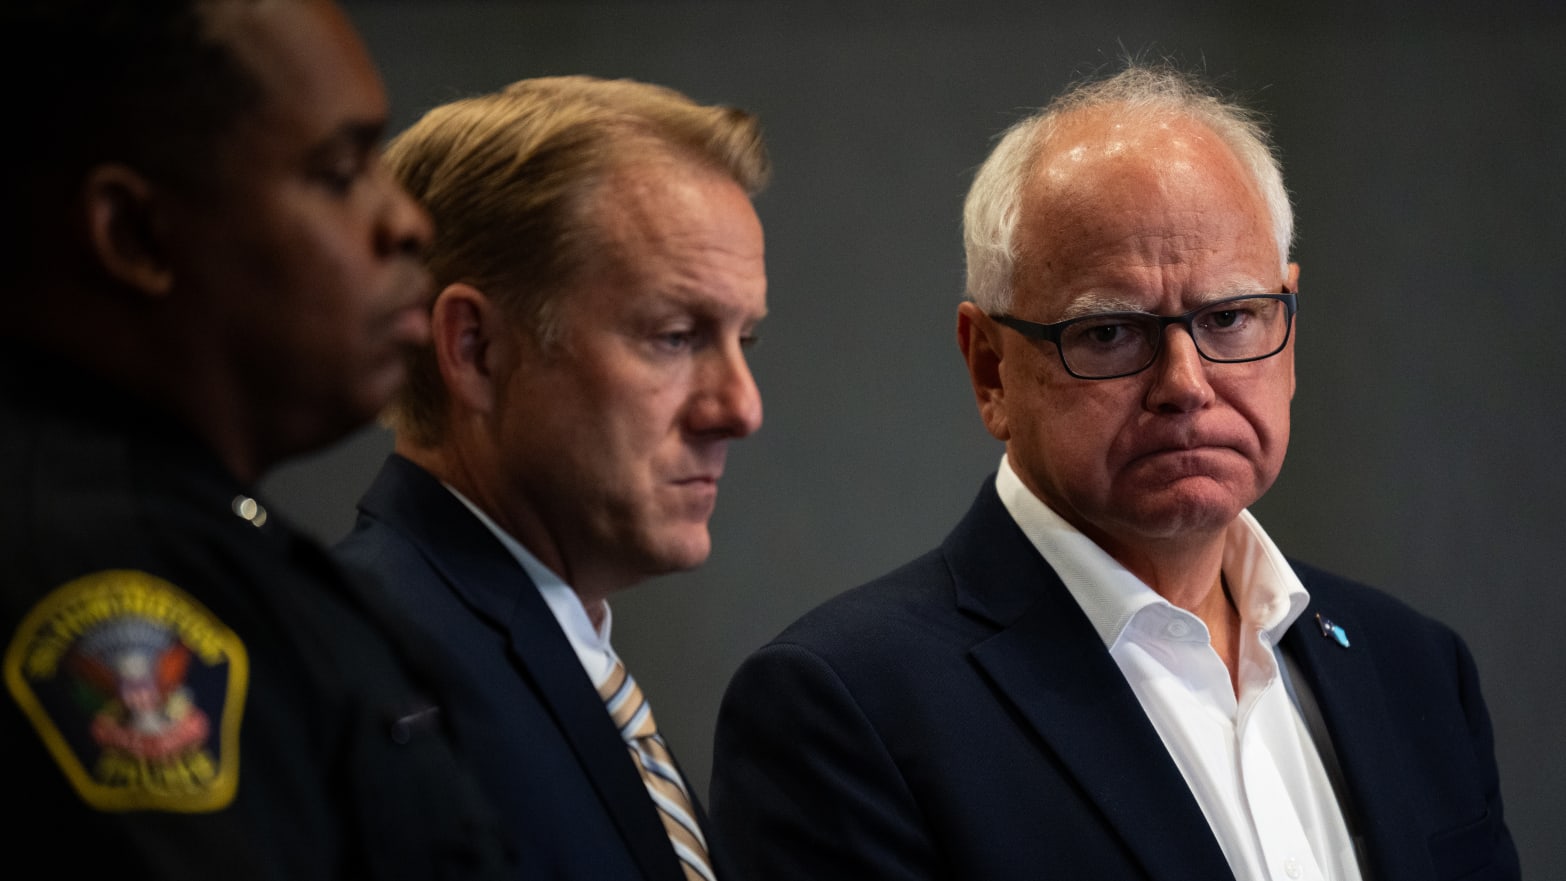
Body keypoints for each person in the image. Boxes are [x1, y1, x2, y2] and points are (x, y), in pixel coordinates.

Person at [709, 63, 1520, 881]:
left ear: (1290, 324)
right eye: (1109, 333)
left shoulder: (1412, 666)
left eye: (1232, 317)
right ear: (990, 367)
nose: (1186, 384)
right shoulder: (849, 707)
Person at [0, 1, 512, 877]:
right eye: (342, 171)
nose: (408, 224)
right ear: (135, 234)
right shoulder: (105, 581)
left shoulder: (201, 535)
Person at [330, 75, 769, 881]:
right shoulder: (361, 671)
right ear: (476, 350)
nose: (741, 408)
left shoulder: (557, 660)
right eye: (676, 336)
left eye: (747, 338)